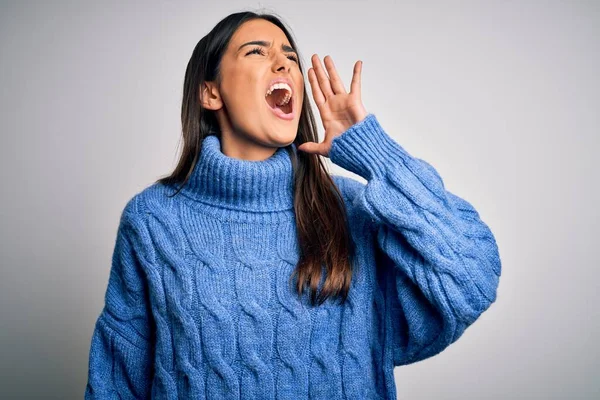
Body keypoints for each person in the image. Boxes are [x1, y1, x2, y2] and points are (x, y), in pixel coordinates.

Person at [84, 10, 502, 400]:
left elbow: (472, 279)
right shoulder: (153, 221)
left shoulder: (350, 209)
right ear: (210, 92)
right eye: (256, 52)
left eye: (289, 56)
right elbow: (117, 380)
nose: (284, 64)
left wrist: (374, 153)